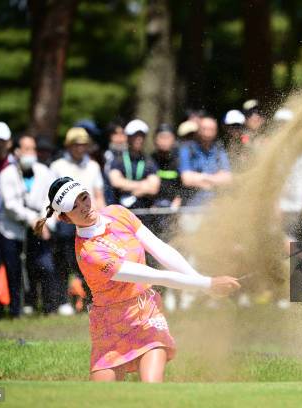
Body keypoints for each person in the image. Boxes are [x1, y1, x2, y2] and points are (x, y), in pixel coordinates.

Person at [33, 177, 240, 381]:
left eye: (84, 198)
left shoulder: (117, 212)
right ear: (65, 219)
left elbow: (160, 249)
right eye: (75, 207)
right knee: (101, 400)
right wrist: (206, 284)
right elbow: (155, 275)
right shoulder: (89, 253)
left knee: (151, 391)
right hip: (109, 325)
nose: (84, 207)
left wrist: (200, 280)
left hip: (145, 314)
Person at [0, 135, 57, 316]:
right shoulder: (7, 174)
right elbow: (10, 205)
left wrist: (45, 222)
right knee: (14, 271)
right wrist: (33, 219)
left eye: (33, 149)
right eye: (26, 149)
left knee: (44, 266)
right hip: (12, 230)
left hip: (39, 229)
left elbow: (51, 199)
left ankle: (49, 307)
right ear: (16, 152)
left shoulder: (44, 172)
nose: (30, 153)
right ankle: (16, 310)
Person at [51, 127, 106, 314]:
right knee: (64, 264)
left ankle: (92, 300)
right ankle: (64, 301)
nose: (80, 148)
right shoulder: (58, 166)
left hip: (90, 221)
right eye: (76, 144)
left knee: (91, 264)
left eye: (83, 144)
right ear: (69, 146)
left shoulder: (93, 166)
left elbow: (99, 195)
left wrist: (102, 216)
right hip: (67, 223)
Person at [108, 119, 160, 218]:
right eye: (135, 135)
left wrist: (127, 186)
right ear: (128, 137)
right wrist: (143, 185)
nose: (139, 139)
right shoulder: (118, 159)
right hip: (120, 213)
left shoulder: (149, 161)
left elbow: (154, 188)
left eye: (142, 135)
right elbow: (116, 182)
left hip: (143, 213)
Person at [179, 115, 232, 206]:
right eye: (204, 129)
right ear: (198, 130)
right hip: (191, 208)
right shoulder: (187, 149)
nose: (207, 133)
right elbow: (187, 179)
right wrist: (215, 179)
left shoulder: (219, 150)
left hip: (215, 207)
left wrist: (201, 178)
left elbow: (227, 178)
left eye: (211, 129)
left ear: (216, 131)